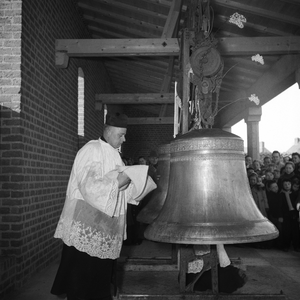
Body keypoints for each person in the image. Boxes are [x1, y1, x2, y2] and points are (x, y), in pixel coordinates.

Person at [51, 112, 156, 300]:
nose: (124, 139)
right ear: (108, 131)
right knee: (81, 282)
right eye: (120, 135)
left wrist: (136, 185)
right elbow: (88, 187)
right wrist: (118, 182)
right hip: (86, 228)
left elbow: (120, 194)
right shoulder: (91, 150)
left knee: (100, 281)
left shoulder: (115, 155)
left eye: (124, 135)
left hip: (105, 230)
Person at [279, 179, 300, 252]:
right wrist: (280, 216)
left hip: (294, 214)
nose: (287, 186)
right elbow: (280, 206)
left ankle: (296, 246)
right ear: (282, 185)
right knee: (286, 231)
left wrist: (297, 216)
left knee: (295, 231)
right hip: (285, 214)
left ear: (291, 185)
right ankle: (286, 246)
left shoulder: (294, 194)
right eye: (285, 184)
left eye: (288, 184)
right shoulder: (280, 194)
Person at [266, 180, 283, 249]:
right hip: (273, 215)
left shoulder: (278, 195)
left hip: (276, 215)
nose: (276, 188)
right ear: (269, 188)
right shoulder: (270, 196)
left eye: (276, 186)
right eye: (273, 187)